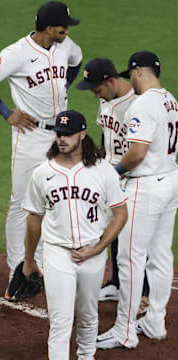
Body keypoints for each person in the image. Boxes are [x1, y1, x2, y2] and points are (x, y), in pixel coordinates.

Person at [0, 1, 82, 297]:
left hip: (61, 135)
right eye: (63, 26)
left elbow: (75, 61)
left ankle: (42, 265)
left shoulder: (66, 45)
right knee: (22, 204)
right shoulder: (17, 53)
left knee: (55, 199)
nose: (67, 30)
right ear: (48, 28)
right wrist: (7, 112)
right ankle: (17, 269)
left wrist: (63, 85)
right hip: (30, 136)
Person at [22, 110, 128, 360]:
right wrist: (29, 260)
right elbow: (34, 218)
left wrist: (99, 248)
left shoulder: (103, 171)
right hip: (58, 253)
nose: (62, 139)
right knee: (61, 321)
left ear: (82, 134)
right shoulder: (42, 173)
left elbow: (120, 213)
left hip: (93, 252)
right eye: (59, 133)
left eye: (68, 134)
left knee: (89, 315)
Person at [96, 51, 178, 349]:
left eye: (131, 73)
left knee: (130, 259)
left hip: (145, 187)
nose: (130, 78)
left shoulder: (143, 104)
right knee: (160, 256)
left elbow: (137, 153)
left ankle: (125, 331)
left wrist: (113, 173)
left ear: (139, 71)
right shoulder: (171, 100)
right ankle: (155, 322)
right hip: (170, 180)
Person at [75, 58, 150, 316]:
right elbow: (108, 137)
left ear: (111, 81)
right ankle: (118, 284)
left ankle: (143, 294)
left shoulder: (137, 103)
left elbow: (140, 148)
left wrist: (118, 172)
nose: (95, 94)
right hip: (110, 173)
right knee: (114, 230)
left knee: (133, 238)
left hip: (132, 176)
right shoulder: (105, 99)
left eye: (97, 88)